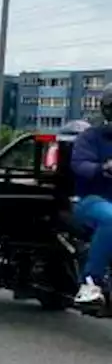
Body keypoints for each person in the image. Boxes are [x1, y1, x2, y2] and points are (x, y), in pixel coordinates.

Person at [69, 95, 112, 304]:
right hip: (90, 200)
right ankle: (90, 282)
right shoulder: (90, 137)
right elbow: (80, 164)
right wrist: (102, 168)